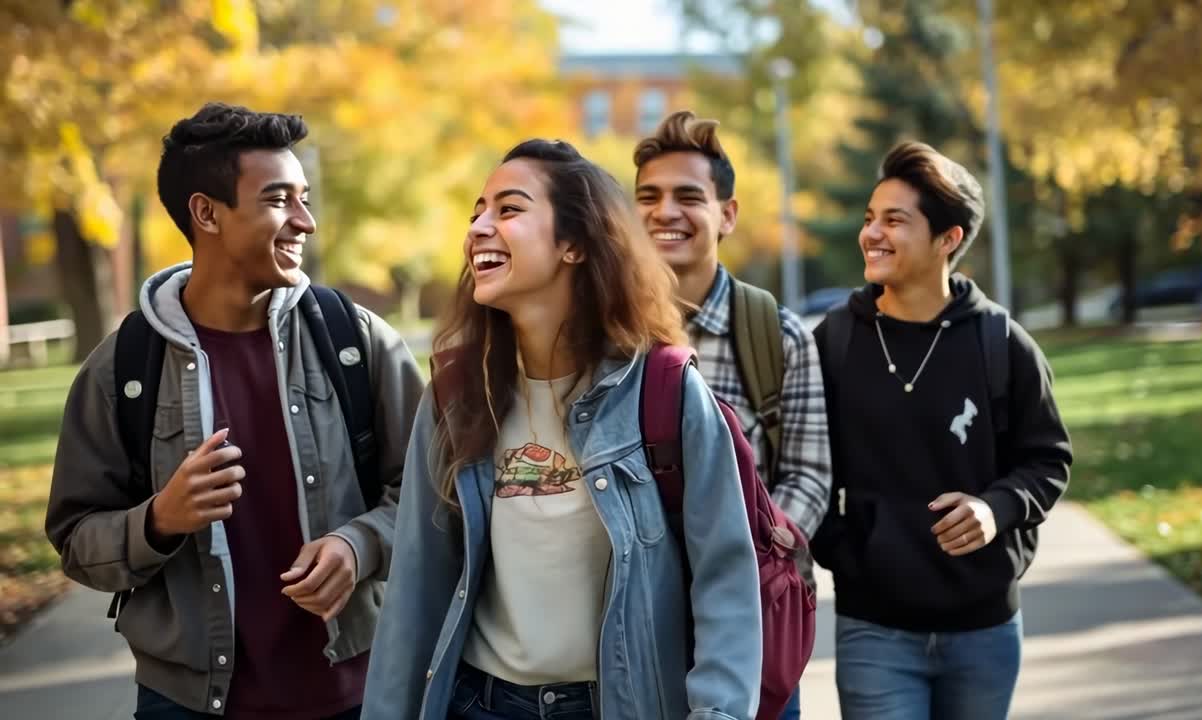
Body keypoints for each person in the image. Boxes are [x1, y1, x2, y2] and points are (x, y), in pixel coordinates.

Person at [45, 102, 425, 719]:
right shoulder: (121, 369)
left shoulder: (355, 339)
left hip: (359, 691)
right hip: (187, 705)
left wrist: (361, 545)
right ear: (206, 213)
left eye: (305, 198)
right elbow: (75, 539)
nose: (306, 221)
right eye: (280, 199)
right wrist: (159, 519)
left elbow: (434, 491)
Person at [361, 139, 763, 720]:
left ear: (574, 244)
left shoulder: (665, 389)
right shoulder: (455, 394)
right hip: (479, 703)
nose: (478, 227)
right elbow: (416, 590)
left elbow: (724, 578)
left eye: (509, 209)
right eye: (477, 211)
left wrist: (719, 712)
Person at [810, 141, 1073, 719]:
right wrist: (848, 552)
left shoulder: (1002, 343)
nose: (872, 233)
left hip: (985, 631)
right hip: (873, 627)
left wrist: (995, 508)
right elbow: (802, 464)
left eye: (894, 220)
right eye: (870, 218)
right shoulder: (835, 342)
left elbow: (1048, 460)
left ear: (948, 239)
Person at [633, 110, 832, 720]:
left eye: (688, 197)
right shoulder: (605, 337)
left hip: (749, 632)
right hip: (630, 628)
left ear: (727, 213)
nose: (665, 212)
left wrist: (743, 562)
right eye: (648, 197)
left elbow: (809, 477)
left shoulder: (777, 335)